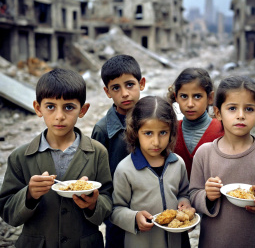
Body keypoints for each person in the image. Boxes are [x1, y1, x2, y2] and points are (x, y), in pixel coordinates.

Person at [0, 68, 113, 248]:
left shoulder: (97, 152)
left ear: (83, 110)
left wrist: (93, 204)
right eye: (50, 106)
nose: (59, 116)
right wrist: (29, 194)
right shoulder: (21, 156)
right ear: (38, 108)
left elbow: (108, 203)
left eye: (69, 107)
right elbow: (7, 212)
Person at [189, 75, 255, 248]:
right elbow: (193, 194)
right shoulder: (204, 153)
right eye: (232, 108)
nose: (240, 115)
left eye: (249, 109)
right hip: (215, 242)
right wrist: (207, 196)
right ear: (218, 113)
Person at [110, 96, 193, 248]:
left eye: (163, 133)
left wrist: (185, 202)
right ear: (135, 132)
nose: (156, 141)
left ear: (171, 132)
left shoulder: (177, 163)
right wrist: (134, 218)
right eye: (148, 133)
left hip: (176, 241)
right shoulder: (125, 169)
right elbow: (116, 209)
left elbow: (184, 193)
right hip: (142, 242)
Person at [91, 54, 146, 248]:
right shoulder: (103, 129)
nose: (124, 93)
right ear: (107, 92)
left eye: (130, 85)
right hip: (118, 209)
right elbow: (97, 174)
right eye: (116, 88)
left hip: (151, 202)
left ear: (142, 84)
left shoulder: (154, 119)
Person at [168, 67, 224, 179]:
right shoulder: (170, 131)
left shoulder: (222, 130)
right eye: (184, 96)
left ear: (210, 98)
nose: (190, 104)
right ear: (176, 97)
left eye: (197, 96)